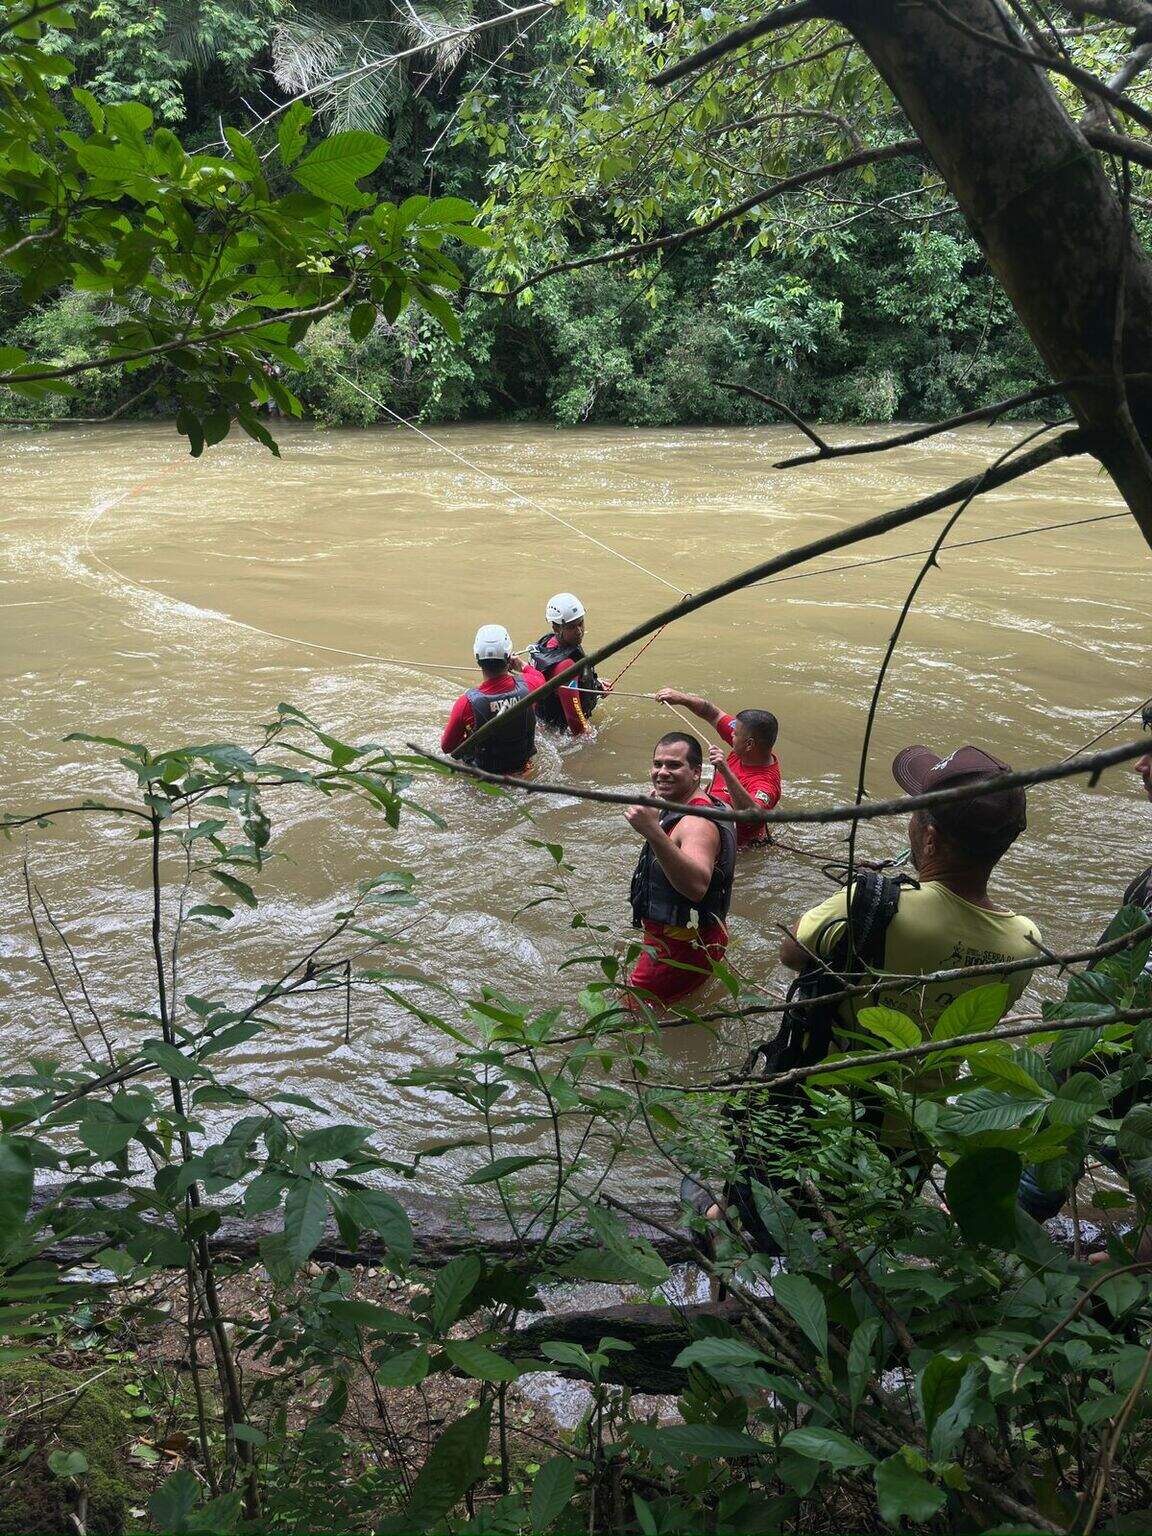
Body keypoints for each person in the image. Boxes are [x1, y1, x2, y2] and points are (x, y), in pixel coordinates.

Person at [625, 732, 737, 1008]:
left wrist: (652, 830)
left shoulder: (697, 823)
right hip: (700, 936)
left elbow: (696, 887)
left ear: (696, 772)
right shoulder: (704, 803)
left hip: (679, 950)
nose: (662, 772)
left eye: (674, 765)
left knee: (630, 1014)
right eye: (657, 764)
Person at [654, 689, 780, 848]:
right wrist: (682, 698)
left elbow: (751, 816)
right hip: (705, 813)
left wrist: (725, 771)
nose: (731, 734)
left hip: (733, 847)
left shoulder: (766, 784)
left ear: (749, 744)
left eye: (735, 734)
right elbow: (712, 713)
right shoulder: (746, 743)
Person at [440, 625, 546, 775]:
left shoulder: (465, 704)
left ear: (478, 659)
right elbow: (539, 677)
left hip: (484, 778)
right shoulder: (530, 686)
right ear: (508, 658)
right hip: (522, 771)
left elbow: (447, 747)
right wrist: (521, 665)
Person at [528, 592, 606, 737]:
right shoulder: (566, 667)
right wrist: (590, 736)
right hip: (558, 733)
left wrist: (596, 685)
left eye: (581, 623)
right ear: (556, 628)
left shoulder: (549, 642)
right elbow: (576, 722)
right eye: (571, 627)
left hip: (543, 720)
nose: (579, 631)